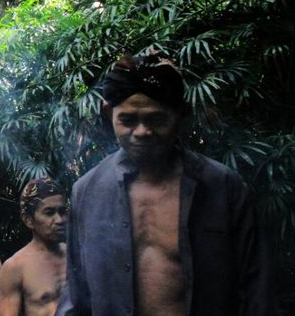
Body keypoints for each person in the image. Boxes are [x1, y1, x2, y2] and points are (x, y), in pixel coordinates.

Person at [57, 53, 273, 316]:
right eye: (127, 120)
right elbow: (76, 297)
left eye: (156, 119)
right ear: (108, 112)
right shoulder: (87, 191)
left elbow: (257, 292)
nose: (141, 132)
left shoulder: (223, 187)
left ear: (182, 114)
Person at [0, 177, 68, 316]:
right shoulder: (15, 267)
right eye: (49, 213)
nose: (59, 220)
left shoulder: (74, 254)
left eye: (62, 211)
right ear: (28, 220)